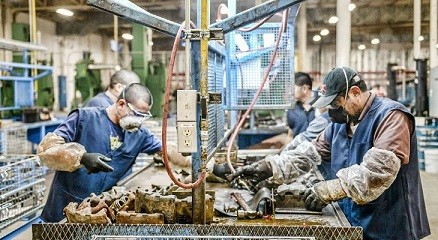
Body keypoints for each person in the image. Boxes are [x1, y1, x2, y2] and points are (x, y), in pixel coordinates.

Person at [229, 66, 430, 239]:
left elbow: (377, 173)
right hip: (356, 220)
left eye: (336, 103)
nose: (332, 111)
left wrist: (328, 190)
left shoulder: (391, 116)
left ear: (355, 92)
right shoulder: (339, 125)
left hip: (392, 224)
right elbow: (308, 154)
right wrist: (268, 167)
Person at [36, 83, 187, 223]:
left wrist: (200, 164)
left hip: (99, 214)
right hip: (63, 210)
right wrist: (81, 157)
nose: (139, 121)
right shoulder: (84, 118)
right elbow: (46, 149)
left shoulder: (139, 135)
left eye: (143, 117)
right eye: (136, 114)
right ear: (121, 104)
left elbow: (168, 152)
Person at [286, 72, 318, 140]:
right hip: (298, 149)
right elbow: (290, 135)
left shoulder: (322, 104)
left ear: (304, 89)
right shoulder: (292, 109)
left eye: (292, 89)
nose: (289, 92)